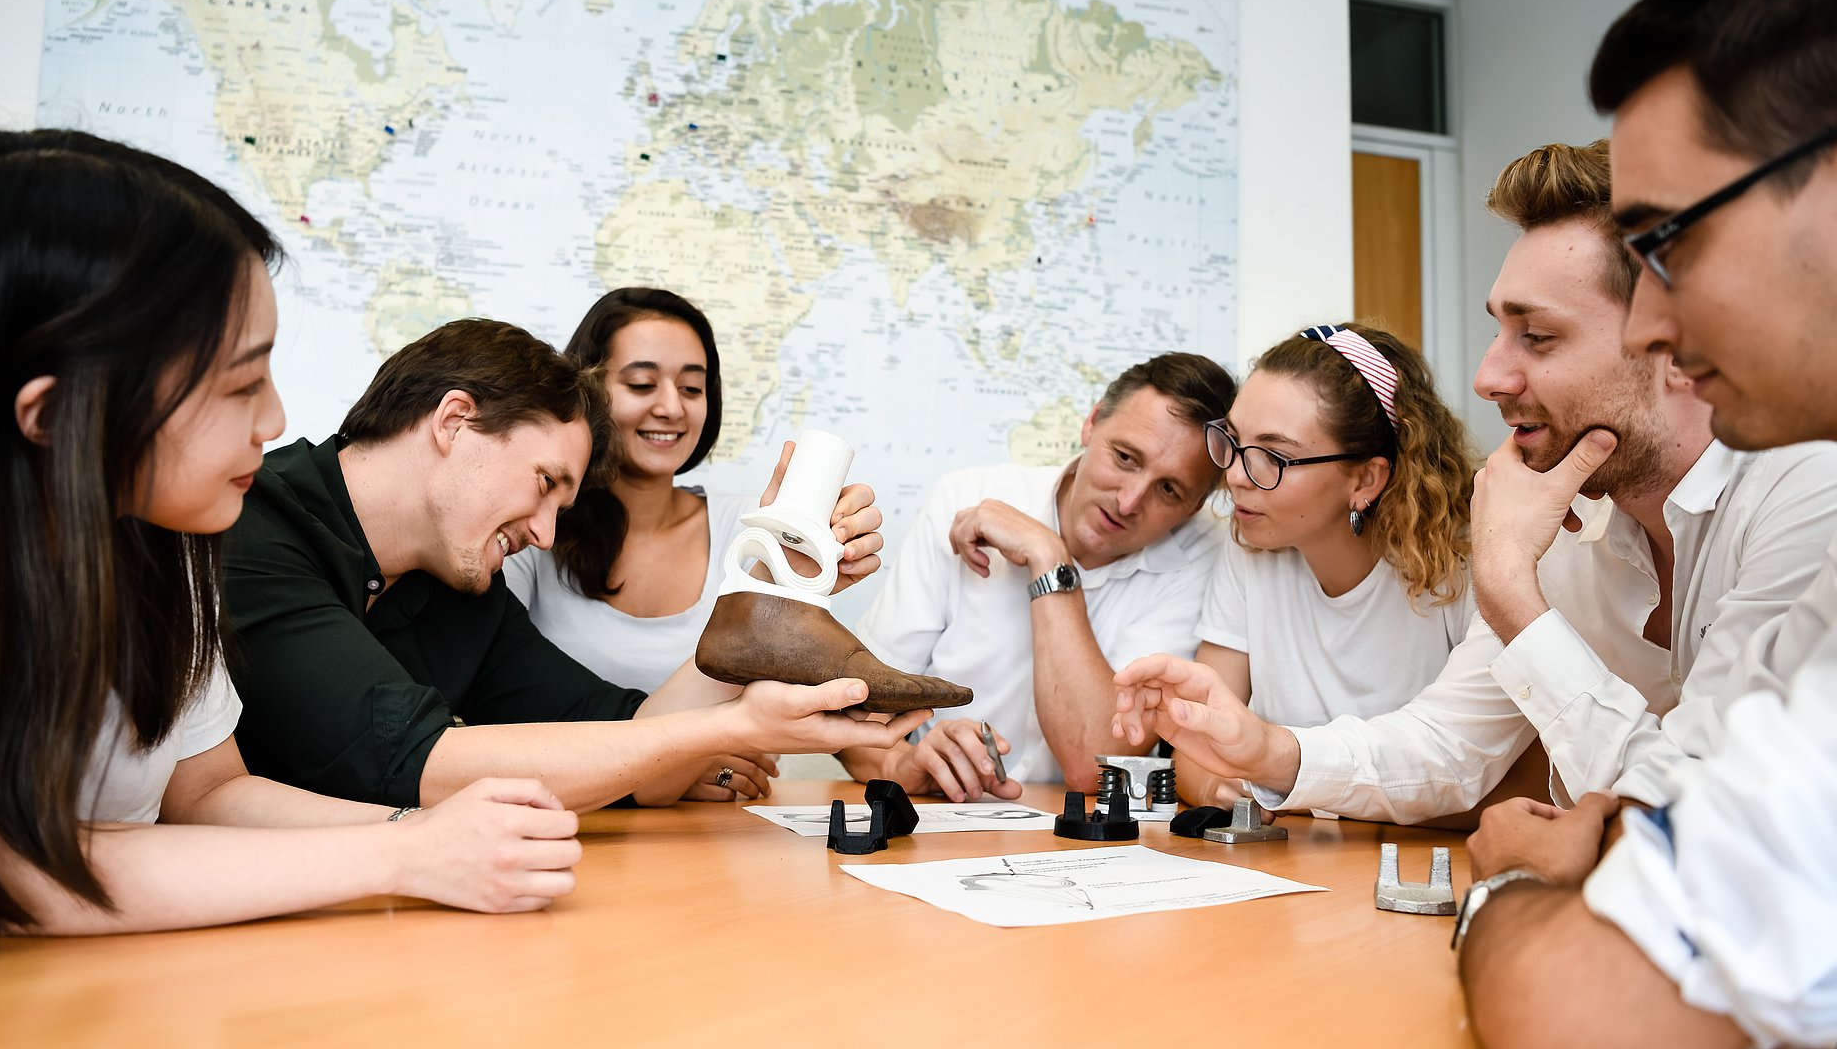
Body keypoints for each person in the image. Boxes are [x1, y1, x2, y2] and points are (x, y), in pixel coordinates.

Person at [0, 131, 584, 1049]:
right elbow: (29, 875)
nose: (275, 422)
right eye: (238, 388)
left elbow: (205, 792)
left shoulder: (171, 547)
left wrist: (426, 833)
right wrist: (400, 851)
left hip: (86, 1004)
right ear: (52, 417)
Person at [1111, 139, 1837, 828]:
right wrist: (1266, 749)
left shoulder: (1806, 487)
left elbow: (1706, 810)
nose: (1489, 377)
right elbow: (1449, 748)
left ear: (1673, 338)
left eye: (1538, 337)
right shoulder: (1565, 521)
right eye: (1498, 331)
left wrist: (1509, 590)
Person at [1457, 0, 1837, 1049]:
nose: (1657, 327)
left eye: (1669, 244)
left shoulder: (1802, 486)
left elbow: (1580, 1028)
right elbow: (1686, 800)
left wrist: (1510, 891)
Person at [223, 318, 924, 813]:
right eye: (545, 482)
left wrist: (765, 584)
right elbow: (414, 762)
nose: (544, 531)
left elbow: (632, 745)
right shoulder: (253, 532)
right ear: (454, 421)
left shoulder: (463, 589)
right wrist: (735, 726)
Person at [841, 353, 1236, 798]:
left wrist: (1049, 557)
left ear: (1196, 506)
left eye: (1169, 489)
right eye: (1125, 457)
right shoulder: (964, 495)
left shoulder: (1212, 556)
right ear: (1092, 423)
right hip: (938, 819)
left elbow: (1096, 765)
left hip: (1084, 845)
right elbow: (853, 712)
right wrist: (901, 762)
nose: (1128, 502)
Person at [1170, 323, 1478, 810]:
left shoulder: (1464, 565)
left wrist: (1278, 774)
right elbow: (1193, 747)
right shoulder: (1254, 542)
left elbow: (1495, 783)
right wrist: (1219, 788)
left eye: (1272, 456)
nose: (1234, 476)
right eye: (1232, 440)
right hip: (1307, 855)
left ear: (1366, 479)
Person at [504, 288, 778, 801]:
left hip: (719, 839)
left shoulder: (749, 527)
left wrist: (898, 753)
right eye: (642, 383)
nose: (671, 407)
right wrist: (673, 761)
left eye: (693, 389)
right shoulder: (533, 526)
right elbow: (493, 707)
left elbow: (809, 680)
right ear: (587, 389)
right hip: (572, 824)